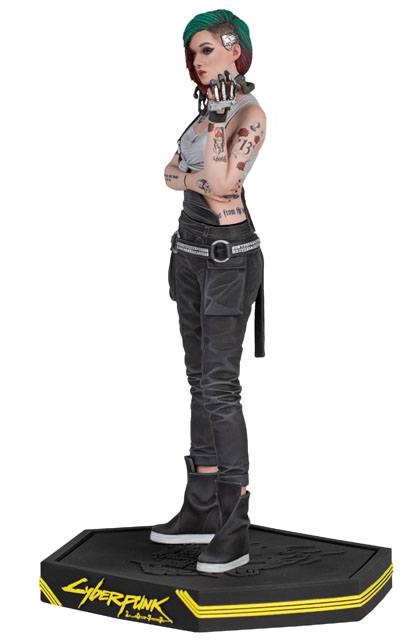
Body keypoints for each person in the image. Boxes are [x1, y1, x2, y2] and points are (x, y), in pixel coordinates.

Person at [150, 9, 267, 574]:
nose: (198, 62)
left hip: (226, 259)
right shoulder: (204, 114)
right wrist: (197, 177)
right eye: (193, 53)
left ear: (234, 49)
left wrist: (215, 134)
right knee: (199, 380)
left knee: (220, 386)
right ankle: (200, 505)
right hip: (189, 253)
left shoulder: (246, 114)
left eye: (208, 50)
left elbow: (221, 181)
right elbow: (167, 173)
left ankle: (233, 520)